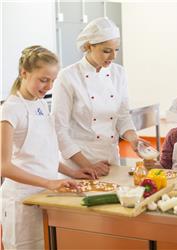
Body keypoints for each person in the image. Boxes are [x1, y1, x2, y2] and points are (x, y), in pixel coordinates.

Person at [1, 45, 93, 250]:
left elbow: (42, 152)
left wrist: (72, 172)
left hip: (44, 194)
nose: (49, 86)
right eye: (43, 80)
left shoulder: (40, 103)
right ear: (23, 73)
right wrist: (49, 182)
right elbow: (4, 167)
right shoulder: (10, 110)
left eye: (53, 80)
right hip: (21, 199)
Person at [52, 17, 142, 177]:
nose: (113, 56)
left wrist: (134, 140)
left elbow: (122, 116)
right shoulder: (68, 76)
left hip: (110, 159)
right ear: (88, 46)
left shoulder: (118, 73)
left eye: (117, 49)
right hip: (78, 163)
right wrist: (88, 165)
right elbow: (59, 129)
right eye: (107, 50)